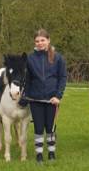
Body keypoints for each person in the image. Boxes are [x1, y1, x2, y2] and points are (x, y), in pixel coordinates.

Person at [25, 29, 66, 163]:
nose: (40, 43)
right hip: (35, 99)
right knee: (38, 127)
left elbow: (62, 78)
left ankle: (51, 153)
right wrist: (26, 96)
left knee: (50, 127)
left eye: (42, 40)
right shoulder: (30, 58)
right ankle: (39, 155)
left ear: (48, 40)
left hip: (52, 99)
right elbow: (27, 79)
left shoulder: (58, 57)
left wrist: (58, 96)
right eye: (37, 41)